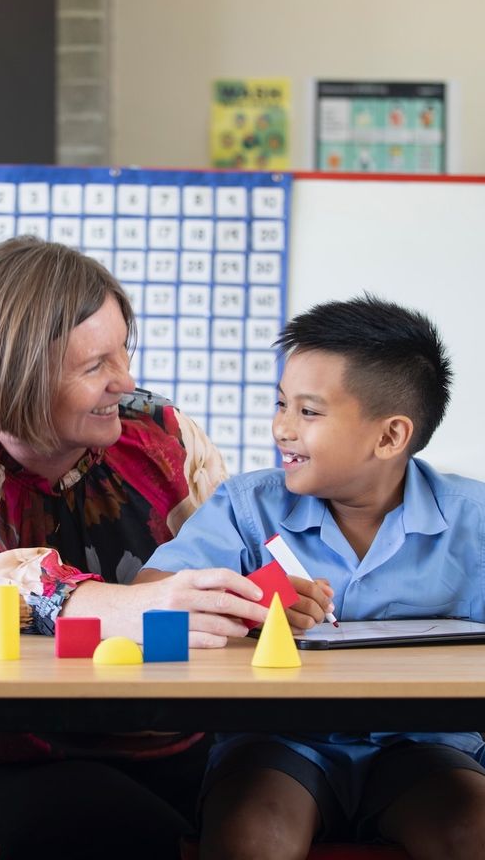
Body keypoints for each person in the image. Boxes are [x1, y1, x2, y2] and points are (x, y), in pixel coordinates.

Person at [0, 236, 268, 859]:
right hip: (9, 755)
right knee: (125, 829)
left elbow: (236, 552)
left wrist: (268, 596)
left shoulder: (158, 432)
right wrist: (138, 605)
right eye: (95, 367)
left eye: (123, 353)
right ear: (16, 379)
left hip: (175, 735)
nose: (126, 381)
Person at [138, 294, 485, 860]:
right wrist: (248, 609)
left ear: (391, 436)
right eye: (281, 404)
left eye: (309, 411)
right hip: (279, 742)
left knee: (470, 830)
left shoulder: (474, 521)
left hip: (426, 747)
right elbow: (144, 602)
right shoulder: (248, 508)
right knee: (250, 835)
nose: (282, 428)